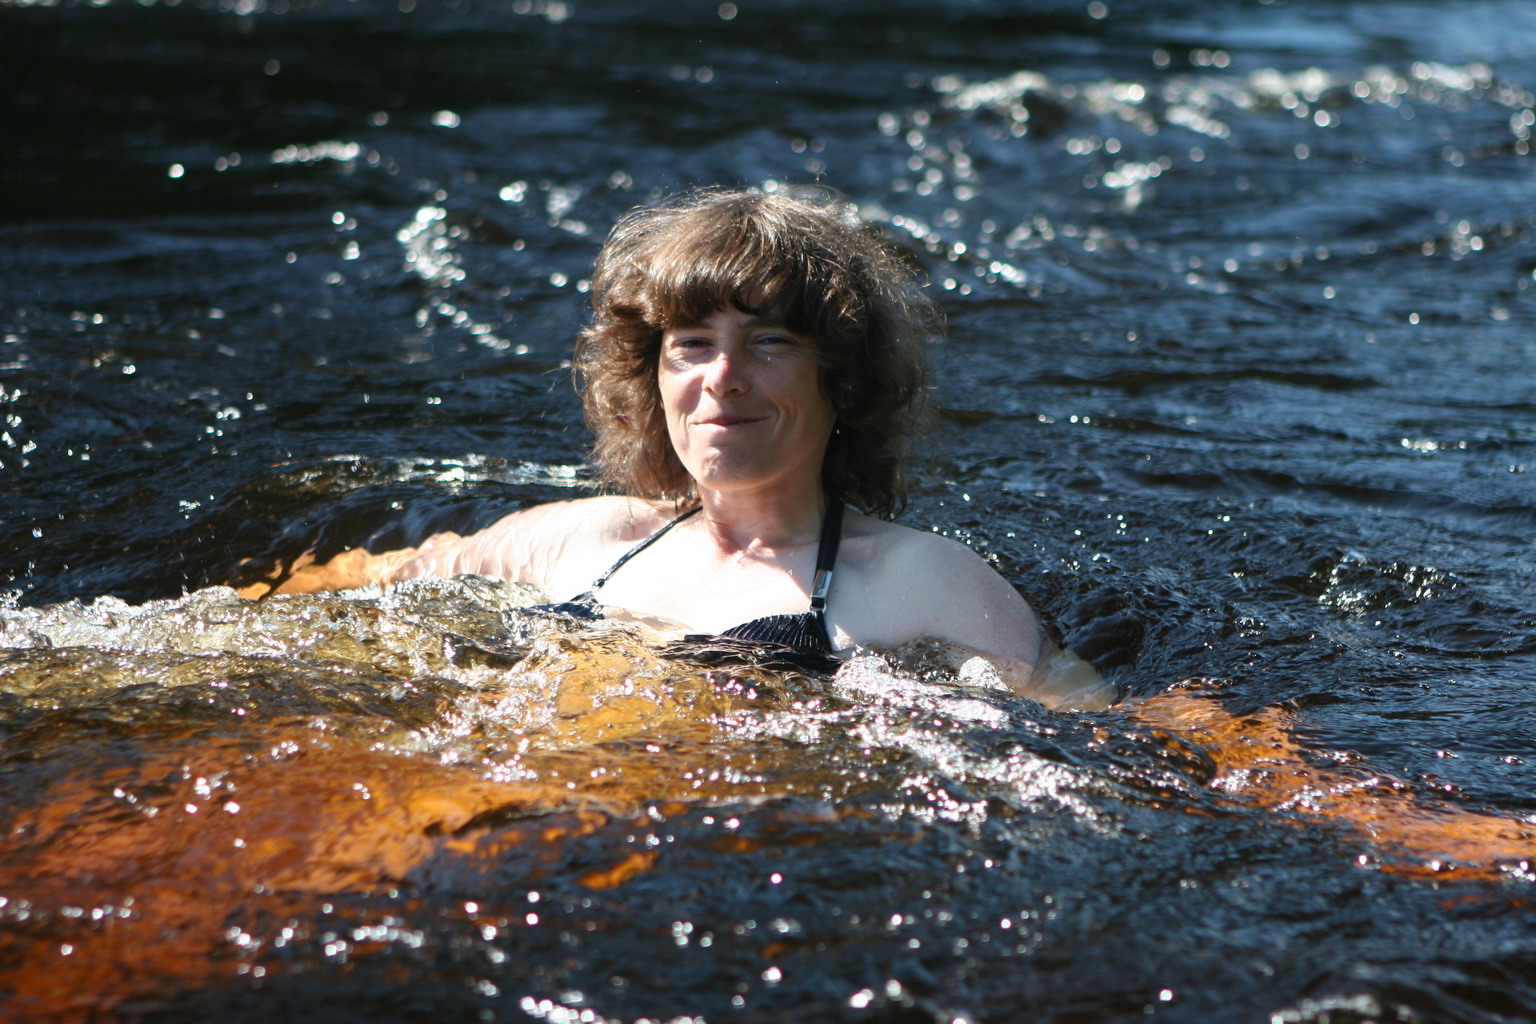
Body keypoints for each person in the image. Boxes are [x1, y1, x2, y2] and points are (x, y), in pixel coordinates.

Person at [240, 185, 1113, 710]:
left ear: (842, 382)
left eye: (769, 343)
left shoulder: (927, 582)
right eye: (692, 344)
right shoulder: (583, 539)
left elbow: (1095, 729)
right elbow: (369, 582)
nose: (723, 377)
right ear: (651, 377)